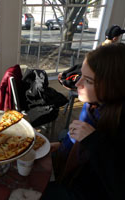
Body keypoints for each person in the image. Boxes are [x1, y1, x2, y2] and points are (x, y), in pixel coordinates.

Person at [42, 43, 125, 200]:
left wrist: (93, 141)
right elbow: (78, 137)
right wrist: (62, 145)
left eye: (87, 80)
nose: (77, 84)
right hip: (70, 174)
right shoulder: (93, 106)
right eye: (81, 75)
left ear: (113, 85)